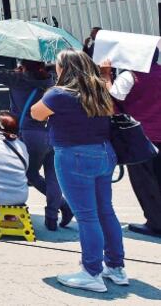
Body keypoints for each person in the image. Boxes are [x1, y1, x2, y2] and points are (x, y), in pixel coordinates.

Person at [30, 49, 127, 293]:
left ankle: (91, 272)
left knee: (86, 216)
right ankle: (115, 267)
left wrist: (50, 90)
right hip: (105, 153)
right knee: (106, 211)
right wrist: (105, 73)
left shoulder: (59, 94)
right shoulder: (100, 90)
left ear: (65, 69)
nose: (55, 69)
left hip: (74, 155)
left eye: (58, 66)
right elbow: (107, 87)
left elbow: (35, 113)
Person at [0, 60, 72, 230]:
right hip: (53, 132)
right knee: (52, 175)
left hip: (30, 133)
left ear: (24, 66)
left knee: (31, 174)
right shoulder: (51, 80)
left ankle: (63, 206)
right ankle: (52, 217)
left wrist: (16, 71)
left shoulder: (18, 79)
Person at [106, 49, 161, 238]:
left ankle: (155, 223)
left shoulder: (129, 77)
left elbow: (110, 98)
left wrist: (106, 74)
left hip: (140, 136)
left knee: (144, 182)